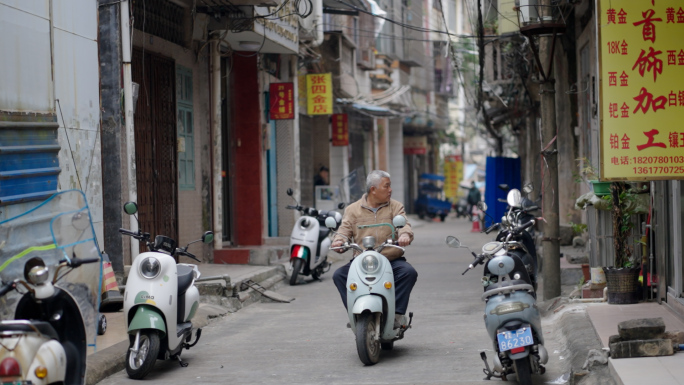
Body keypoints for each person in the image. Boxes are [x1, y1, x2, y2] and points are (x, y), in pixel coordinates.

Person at [331, 170, 417, 329]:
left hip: (390, 259)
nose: (390, 190)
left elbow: (404, 225)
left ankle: (397, 314)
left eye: (390, 186)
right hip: (362, 261)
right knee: (339, 275)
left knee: (408, 273)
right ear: (373, 189)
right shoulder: (352, 209)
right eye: (387, 186)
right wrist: (339, 241)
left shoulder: (395, 206)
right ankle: (355, 313)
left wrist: (404, 235)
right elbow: (344, 230)